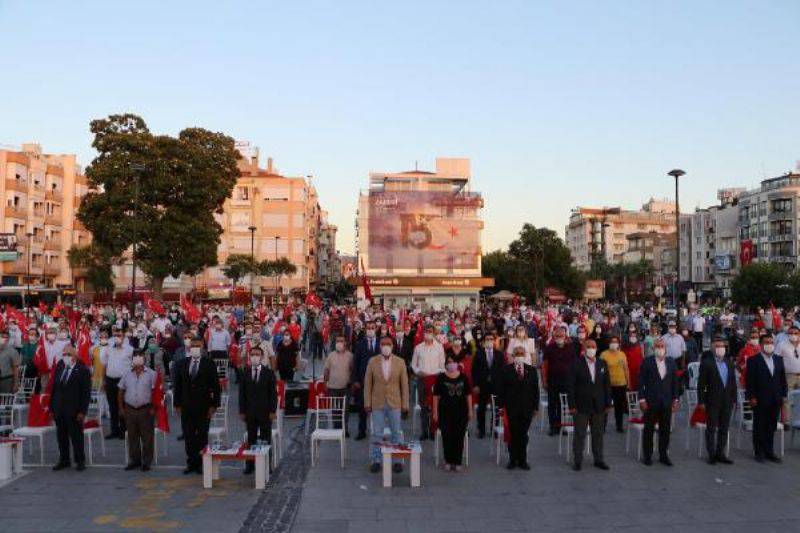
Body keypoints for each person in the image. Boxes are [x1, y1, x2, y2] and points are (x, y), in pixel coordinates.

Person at [173, 339, 221, 474]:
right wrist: (177, 403)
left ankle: (201, 463)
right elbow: (178, 385)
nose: (195, 348)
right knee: (188, 436)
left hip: (203, 406)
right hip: (186, 406)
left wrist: (214, 405)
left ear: (202, 348)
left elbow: (216, 386)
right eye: (193, 346)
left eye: (198, 346)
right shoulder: (182, 363)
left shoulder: (209, 364)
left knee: (201, 436)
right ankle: (191, 463)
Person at [364, 337, 409, 474]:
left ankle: (398, 461)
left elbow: (404, 385)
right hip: (377, 402)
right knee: (377, 433)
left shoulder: (400, 362)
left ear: (392, 346)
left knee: (396, 432)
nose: (385, 346)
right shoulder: (372, 361)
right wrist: (367, 403)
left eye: (388, 344)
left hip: (395, 402)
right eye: (383, 344)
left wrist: (405, 404)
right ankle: (376, 460)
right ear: (379, 346)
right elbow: (368, 384)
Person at [566, 339, 611, 471]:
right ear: (584, 349)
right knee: (580, 433)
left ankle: (599, 459)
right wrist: (572, 405)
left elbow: (607, 385)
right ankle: (578, 460)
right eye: (588, 346)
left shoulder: (602, 363)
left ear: (596, 348)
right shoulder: (575, 364)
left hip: (599, 405)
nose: (591, 348)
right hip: (581, 405)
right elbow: (570, 386)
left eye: (593, 346)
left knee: (598, 433)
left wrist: (608, 402)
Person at [746, 335, 788, 463]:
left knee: (771, 426)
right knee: (759, 426)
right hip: (759, 398)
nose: (769, 344)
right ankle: (759, 452)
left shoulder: (778, 359)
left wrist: (783, 395)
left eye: (771, 342)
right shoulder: (753, 360)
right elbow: (750, 380)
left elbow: (782, 379)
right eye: (766, 342)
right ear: (761, 344)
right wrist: (751, 396)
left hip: (775, 398)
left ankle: (769, 451)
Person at [638, 338, 680, 466]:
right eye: (657, 346)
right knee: (649, 429)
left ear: (665, 348)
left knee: (665, 430)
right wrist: (642, 399)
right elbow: (641, 382)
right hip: (651, 401)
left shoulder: (671, 362)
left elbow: (675, 383)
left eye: (662, 346)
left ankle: (663, 455)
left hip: (666, 402)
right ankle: (647, 456)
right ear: (653, 348)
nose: (660, 348)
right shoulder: (647, 362)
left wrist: (676, 399)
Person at [497, 346, 540, 470]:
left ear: (525, 354)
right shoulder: (506, 370)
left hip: (527, 408)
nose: (519, 355)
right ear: (513, 355)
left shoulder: (531, 371)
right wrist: (500, 406)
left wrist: (535, 407)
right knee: (514, 434)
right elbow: (501, 390)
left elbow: (535, 390)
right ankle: (512, 459)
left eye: (521, 353)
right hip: (511, 408)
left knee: (523, 434)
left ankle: (522, 460)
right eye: (517, 353)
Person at [50, 346, 91, 471]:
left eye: (68, 354)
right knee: (61, 436)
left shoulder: (82, 370)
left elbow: (85, 393)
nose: (65, 357)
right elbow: (54, 389)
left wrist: (82, 411)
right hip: (59, 408)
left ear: (74, 356)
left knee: (76, 436)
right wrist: (52, 407)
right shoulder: (60, 367)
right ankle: (64, 459)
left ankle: (80, 460)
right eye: (64, 354)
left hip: (74, 410)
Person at [697, 337, 736, 464]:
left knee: (724, 429)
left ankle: (721, 453)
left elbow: (732, 382)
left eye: (722, 346)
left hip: (727, 401)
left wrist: (734, 399)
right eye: (717, 346)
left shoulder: (729, 362)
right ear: (713, 348)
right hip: (712, 401)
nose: (720, 348)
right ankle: (711, 454)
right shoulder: (707, 363)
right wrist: (701, 401)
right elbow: (701, 384)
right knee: (711, 428)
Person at [239, 346, 277, 474]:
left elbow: (273, 394)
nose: (254, 357)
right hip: (250, 412)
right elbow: (242, 394)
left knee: (266, 438)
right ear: (249, 357)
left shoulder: (269, 373)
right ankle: (250, 464)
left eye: (257, 354)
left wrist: (273, 411)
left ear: (261, 357)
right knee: (251, 438)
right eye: (252, 355)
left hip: (265, 412)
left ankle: (267, 464)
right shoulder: (246, 372)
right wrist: (242, 411)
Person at [432, 355, 473, 472]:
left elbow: (468, 395)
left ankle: (457, 461)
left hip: (461, 412)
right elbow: (436, 396)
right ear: (445, 364)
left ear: (457, 363)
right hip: (444, 412)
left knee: (459, 436)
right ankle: (448, 460)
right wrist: (435, 412)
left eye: (453, 362)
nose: (451, 364)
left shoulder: (464, 378)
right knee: (447, 435)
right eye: (449, 362)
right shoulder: (441, 378)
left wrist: (470, 410)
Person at [118, 350, 157, 472]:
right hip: (130, 409)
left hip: (145, 410)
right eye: (135, 356)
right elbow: (120, 391)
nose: (138, 358)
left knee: (147, 437)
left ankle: (146, 461)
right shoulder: (126, 374)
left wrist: (154, 408)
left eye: (140, 356)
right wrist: (121, 408)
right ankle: (135, 460)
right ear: (132, 359)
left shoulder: (152, 374)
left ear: (144, 359)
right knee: (132, 436)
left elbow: (157, 393)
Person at [411, 325, 445, 440]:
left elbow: (442, 366)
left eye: (430, 332)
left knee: (435, 407)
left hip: (435, 380)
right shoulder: (418, 348)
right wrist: (418, 372)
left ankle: (433, 430)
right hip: (422, 380)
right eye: (426, 331)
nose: (428, 334)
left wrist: (436, 374)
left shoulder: (439, 347)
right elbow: (413, 365)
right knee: (424, 406)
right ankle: (424, 431)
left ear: (434, 333)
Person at [541, 326, 577, 436]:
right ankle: (553, 427)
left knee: (564, 405)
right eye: (557, 336)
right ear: (554, 337)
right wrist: (544, 381)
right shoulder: (549, 348)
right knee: (552, 405)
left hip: (567, 382)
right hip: (552, 381)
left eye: (561, 336)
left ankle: (562, 426)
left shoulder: (571, 348)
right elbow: (544, 365)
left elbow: (575, 365)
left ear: (565, 336)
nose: (559, 338)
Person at [100, 328, 133, 439]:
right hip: (110, 380)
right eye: (116, 335)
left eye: (120, 335)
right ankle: (114, 430)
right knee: (112, 406)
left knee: (123, 406)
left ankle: (124, 430)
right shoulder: (109, 349)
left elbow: (133, 366)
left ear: (124, 337)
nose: (118, 337)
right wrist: (104, 380)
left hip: (123, 381)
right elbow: (105, 365)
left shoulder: (129, 350)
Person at [351, 321, 381, 440]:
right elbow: (355, 363)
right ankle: (362, 431)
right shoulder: (360, 344)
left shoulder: (381, 343)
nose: (370, 330)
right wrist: (355, 380)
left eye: (372, 328)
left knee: (378, 408)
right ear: (365, 330)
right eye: (368, 328)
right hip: (363, 381)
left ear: (376, 329)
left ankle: (378, 430)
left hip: (378, 381)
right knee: (362, 407)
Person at [472, 332, 504, 439]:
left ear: (494, 341)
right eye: (487, 339)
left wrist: (502, 385)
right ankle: (481, 430)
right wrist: (475, 385)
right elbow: (474, 370)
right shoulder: (478, 353)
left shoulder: (499, 354)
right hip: (482, 385)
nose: (489, 341)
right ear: (484, 341)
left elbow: (502, 370)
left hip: (496, 385)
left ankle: (494, 429)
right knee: (481, 408)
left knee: (496, 408)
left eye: (491, 339)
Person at [599, 335, 630, 433]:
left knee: (619, 407)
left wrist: (628, 382)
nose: (614, 344)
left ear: (618, 344)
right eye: (612, 342)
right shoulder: (604, 355)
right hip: (607, 384)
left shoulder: (622, 354)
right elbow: (600, 370)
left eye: (615, 342)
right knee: (605, 406)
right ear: (609, 343)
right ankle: (602, 426)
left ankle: (619, 426)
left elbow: (626, 369)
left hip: (621, 384)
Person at [323, 335, 353, 434]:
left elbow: (353, 370)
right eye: (337, 341)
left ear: (345, 343)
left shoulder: (350, 355)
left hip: (345, 388)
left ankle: (345, 429)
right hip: (333, 387)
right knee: (335, 410)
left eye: (341, 341)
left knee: (345, 410)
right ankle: (336, 429)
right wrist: (325, 382)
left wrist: (352, 383)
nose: (339, 343)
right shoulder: (331, 355)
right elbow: (326, 370)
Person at [775, 325, 800, 423]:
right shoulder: (782, 344)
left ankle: (798, 420)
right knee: (786, 399)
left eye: (796, 333)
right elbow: (776, 360)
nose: (793, 335)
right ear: (787, 334)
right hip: (787, 376)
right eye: (791, 333)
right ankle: (786, 421)